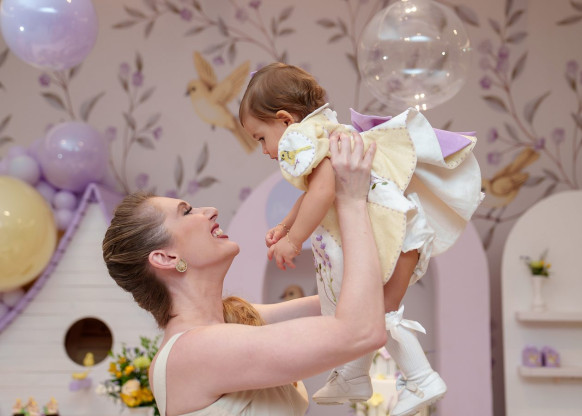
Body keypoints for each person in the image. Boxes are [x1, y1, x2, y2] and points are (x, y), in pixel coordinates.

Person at [239, 63, 483, 415]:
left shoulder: (307, 139)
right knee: (370, 308)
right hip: (402, 228)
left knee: (377, 310)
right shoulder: (325, 132)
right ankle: (356, 374)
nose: (263, 149)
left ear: (285, 120)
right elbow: (313, 191)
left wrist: (293, 241)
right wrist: (286, 224)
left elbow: (322, 192)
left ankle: (419, 378)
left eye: (261, 137)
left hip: (392, 230)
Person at [102, 131, 387, 416]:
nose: (210, 210)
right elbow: (361, 332)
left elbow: (375, 303)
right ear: (166, 258)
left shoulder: (236, 318)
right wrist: (351, 201)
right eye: (186, 212)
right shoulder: (191, 352)